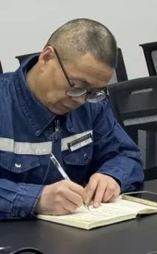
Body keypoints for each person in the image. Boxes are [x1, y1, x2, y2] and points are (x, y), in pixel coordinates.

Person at [0, 19, 143, 220]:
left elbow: (125, 155)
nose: (80, 100)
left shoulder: (92, 106)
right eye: (76, 86)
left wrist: (112, 176)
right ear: (47, 58)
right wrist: (35, 199)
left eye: (93, 92)